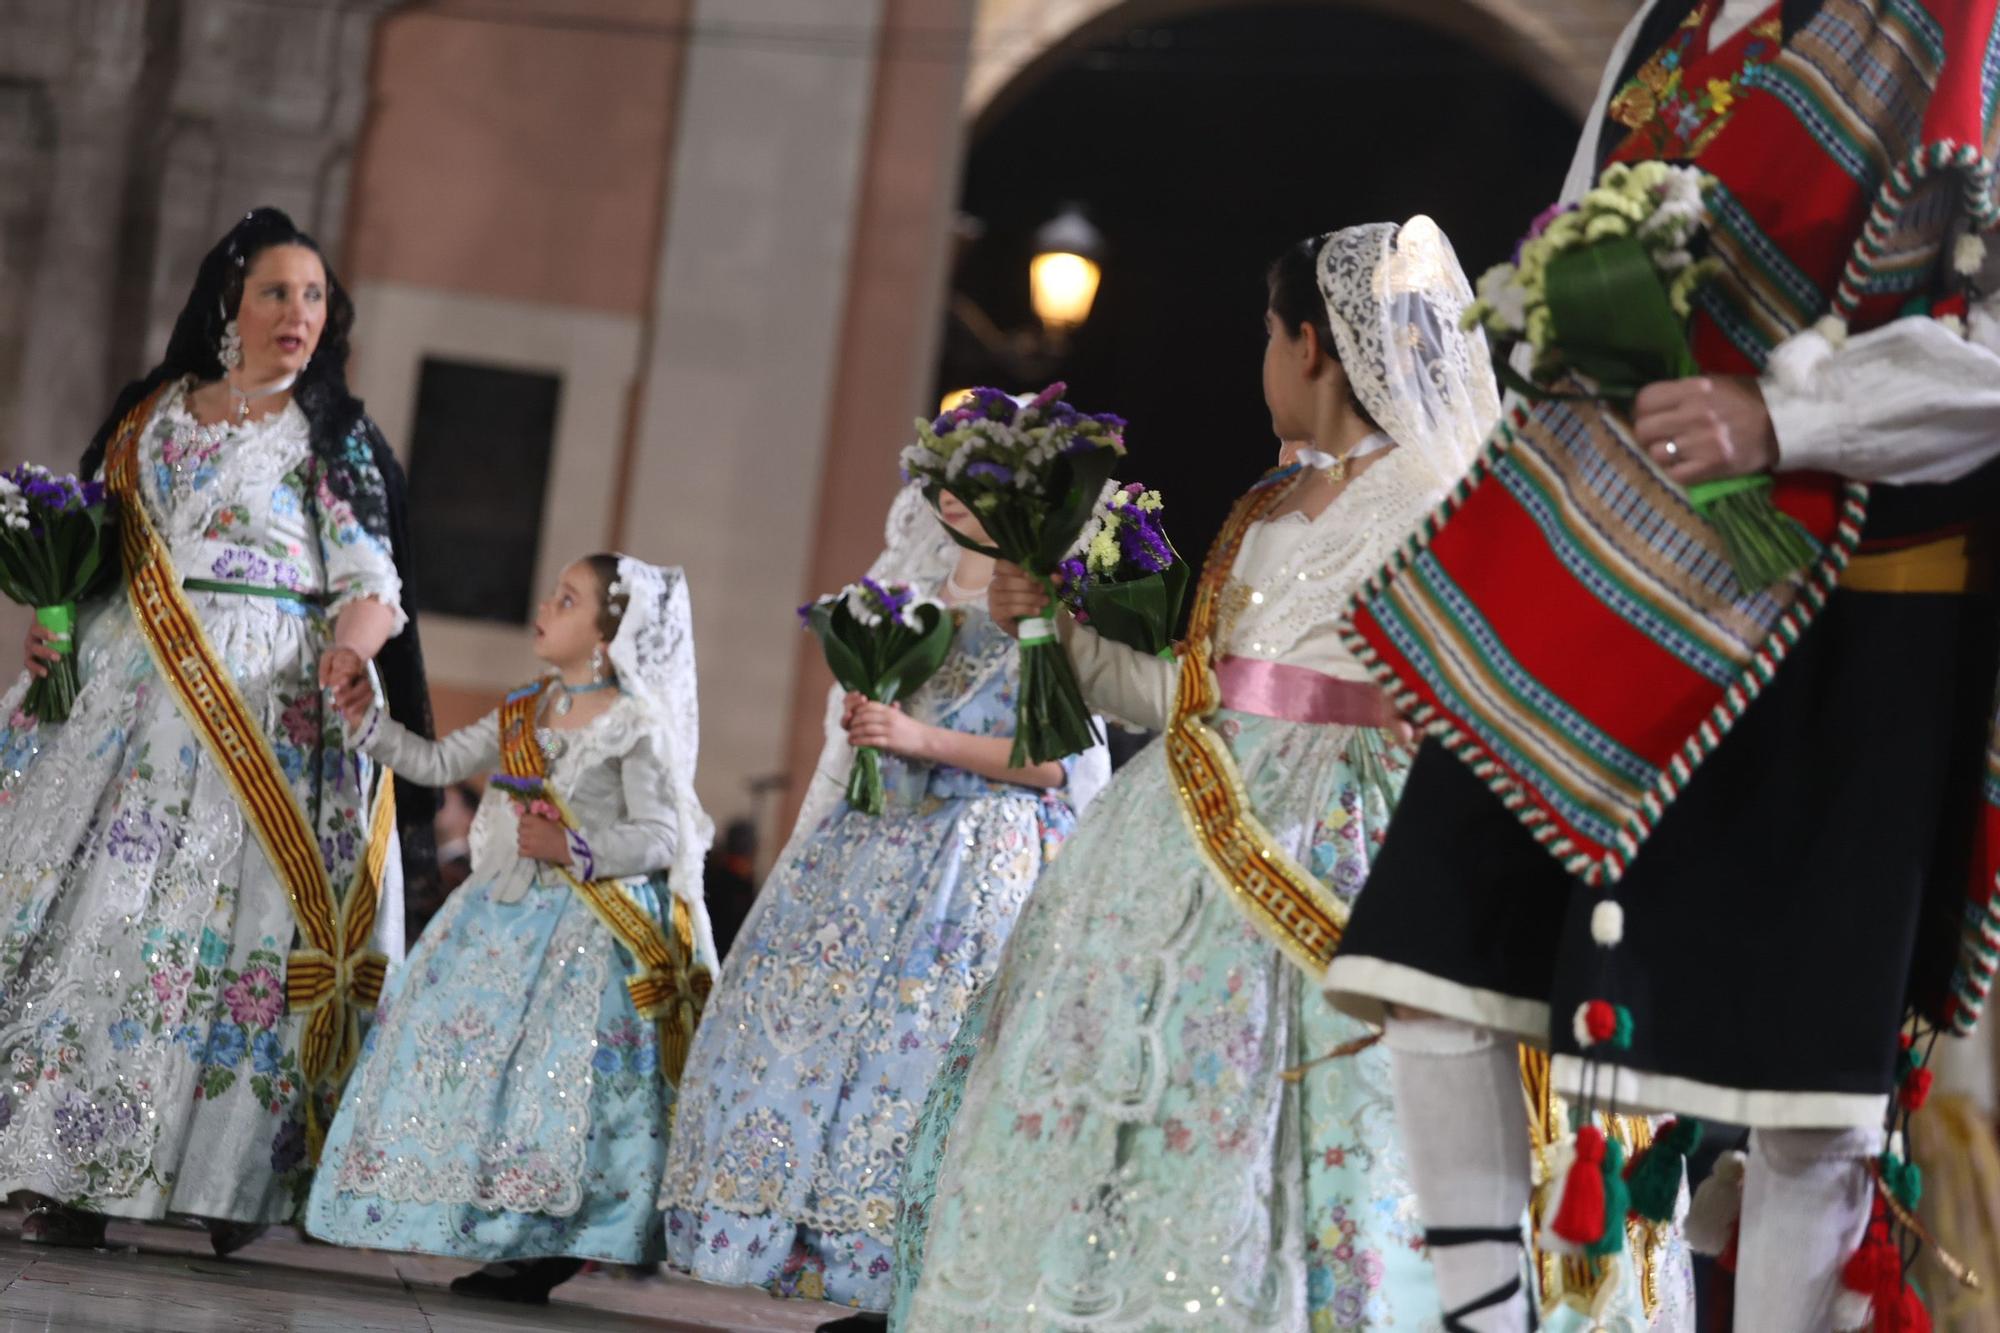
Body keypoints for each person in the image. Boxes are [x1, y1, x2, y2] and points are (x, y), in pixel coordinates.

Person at [1322, 1, 2000, 1328]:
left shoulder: (1954, 35)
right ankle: (1484, 1317)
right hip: (1611, 580)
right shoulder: (1659, 27)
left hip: (1856, 614)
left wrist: (1783, 413)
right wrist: (1485, 618)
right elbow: (1558, 303)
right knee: (1425, 963)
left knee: (1807, 1113)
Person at [894, 218, 1630, 1332]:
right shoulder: (1267, 505)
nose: (1260, 363)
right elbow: (1189, 696)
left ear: (1309, 346)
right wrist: (1058, 633)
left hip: (1347, 842)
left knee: (1310, 1093)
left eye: (1265, 334)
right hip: (1177, 832)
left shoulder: (1442, 493)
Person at [0, 206, 431, 1252]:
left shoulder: (335, 435)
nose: (300, 314)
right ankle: (60, 1164)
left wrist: (353, 648)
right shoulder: (150, 413)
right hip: (119, 684)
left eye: (317, 296)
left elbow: (374, 577)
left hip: (259, 701)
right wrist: (51, 622)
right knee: (79, 913)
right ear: (229, 301)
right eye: (279, 292)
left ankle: (223, 1175)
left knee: (207, 933)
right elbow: (90, 545)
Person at [657, 483, 1108, 1315]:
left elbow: (1054, 760)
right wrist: (872, 723)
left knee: (921, 1050)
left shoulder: (1044, 603)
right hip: (876, 843)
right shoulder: (911, 600)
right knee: (821, 1039)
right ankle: (825, 1260)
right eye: (949, 471)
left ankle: (900, 1274)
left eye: (986, 475)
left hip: (972, 857)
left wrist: (919, 737)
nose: (958, 492)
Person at [307, 554, 716, 1306]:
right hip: (501, 917)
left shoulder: (636, 725)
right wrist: (368, 717)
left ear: (608, 634)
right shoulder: (524, 709)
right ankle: (482, 1219)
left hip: (588, 931)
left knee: (553, 1083)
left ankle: (548, 1239)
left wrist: (577, 848)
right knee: (471, 1068)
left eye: (568, 599)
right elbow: (433, 761)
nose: (546, 606)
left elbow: (663, 832)